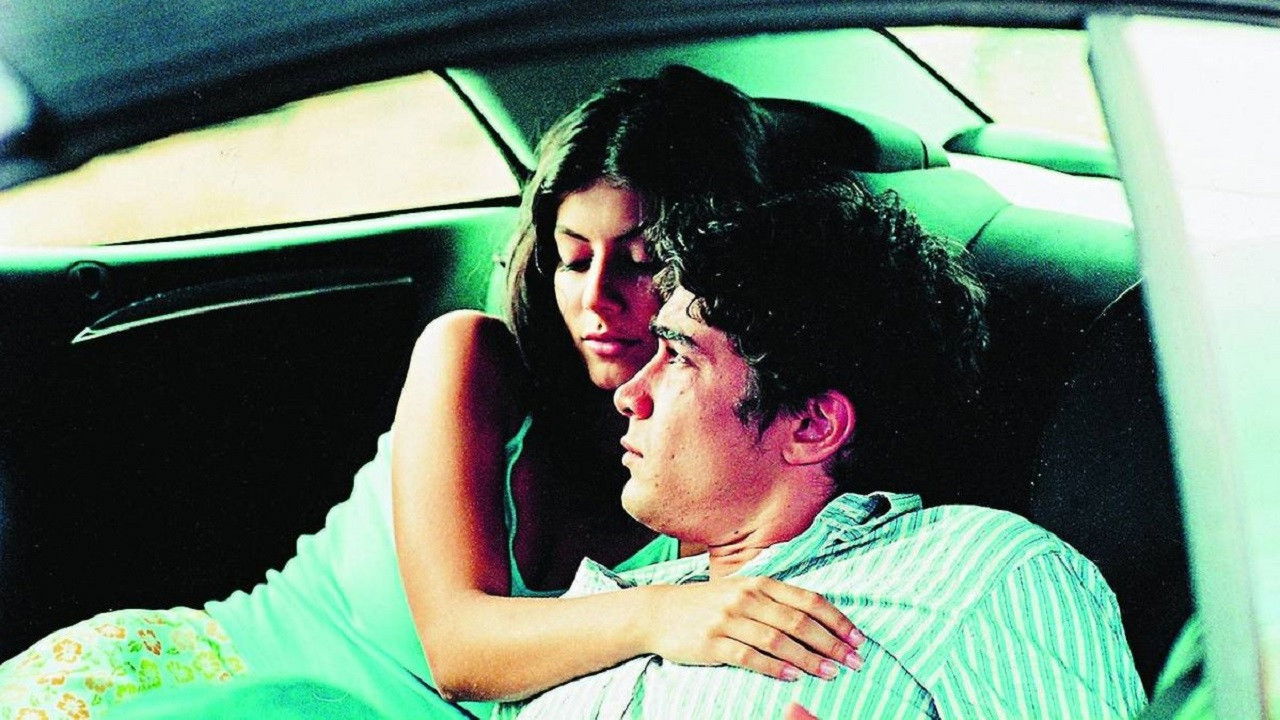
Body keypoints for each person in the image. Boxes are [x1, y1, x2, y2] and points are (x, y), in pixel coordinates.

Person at [0, 68, 866, 719]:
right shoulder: (474, 359)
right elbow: (460, 649)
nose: (598, 300)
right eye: (573, 259)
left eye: (642, 264)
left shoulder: (734, 449)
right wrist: (669, 614)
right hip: (212, 677)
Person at [496, 182, 1148, 719]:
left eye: (680, 357)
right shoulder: (617, 610)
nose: (630, 395)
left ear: (811, 425)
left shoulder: (979, 577)